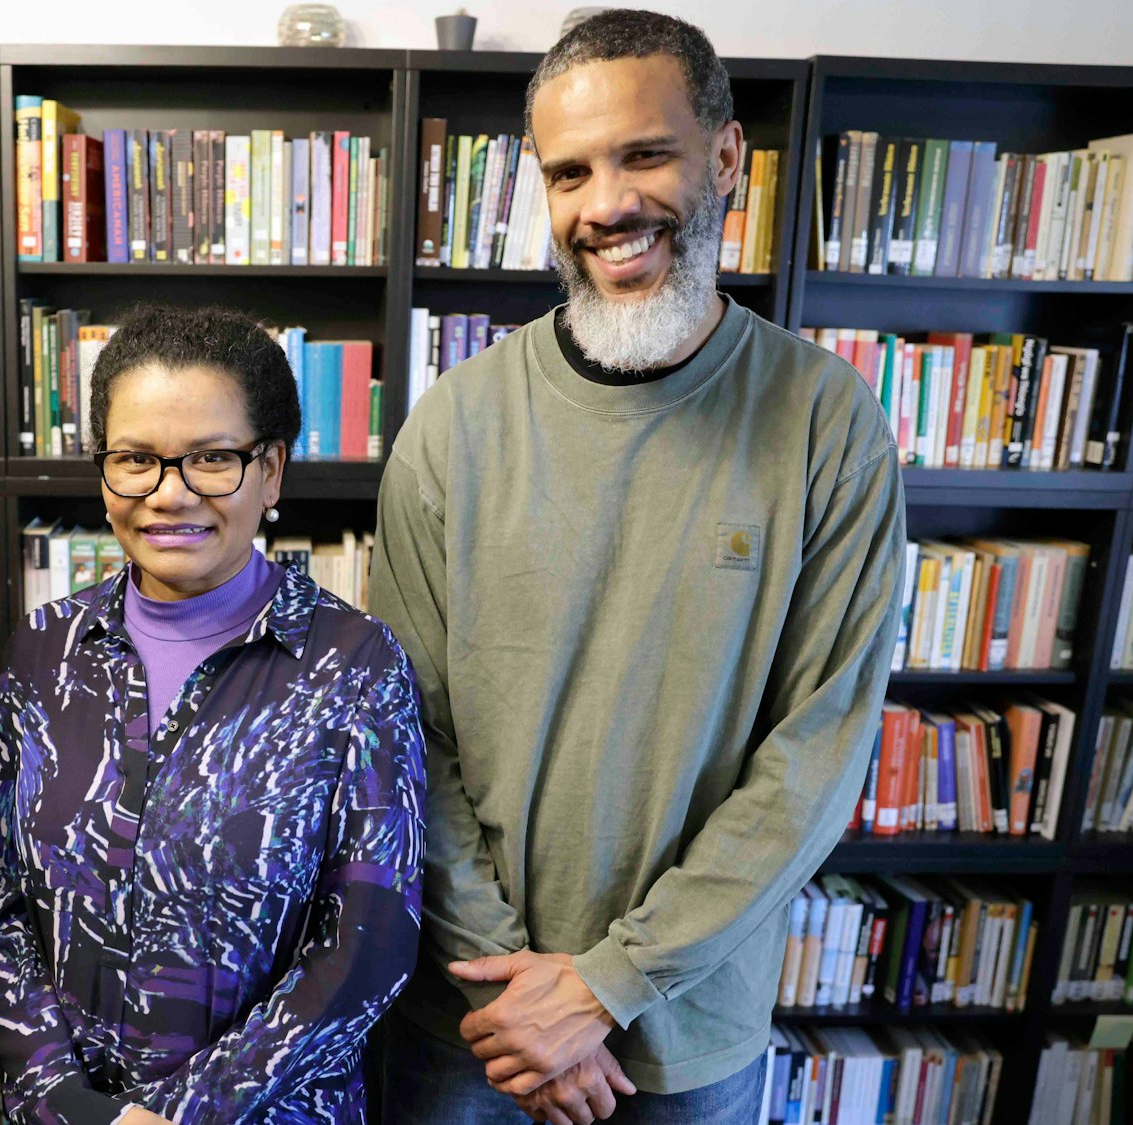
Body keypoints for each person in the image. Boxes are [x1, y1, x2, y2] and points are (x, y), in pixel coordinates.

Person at [368, 10, 906, 1125]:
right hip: (471, 1025)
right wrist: (528, 997)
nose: (605, 205)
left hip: (684, 1037)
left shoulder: (824, 422)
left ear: (723, 156)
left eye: (643, 154)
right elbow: (403, 735)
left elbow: (814, 757)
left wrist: (608, 986)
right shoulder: (451, 425)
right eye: (568, 173)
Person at [0, 304, 426, 1124]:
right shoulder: (42, 649)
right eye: (136, 458)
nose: (170, 495)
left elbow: (370, 940)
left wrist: (183, 1115)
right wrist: (74, 1104)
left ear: (272, 471)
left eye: (213, 459)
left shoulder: (355, 663)